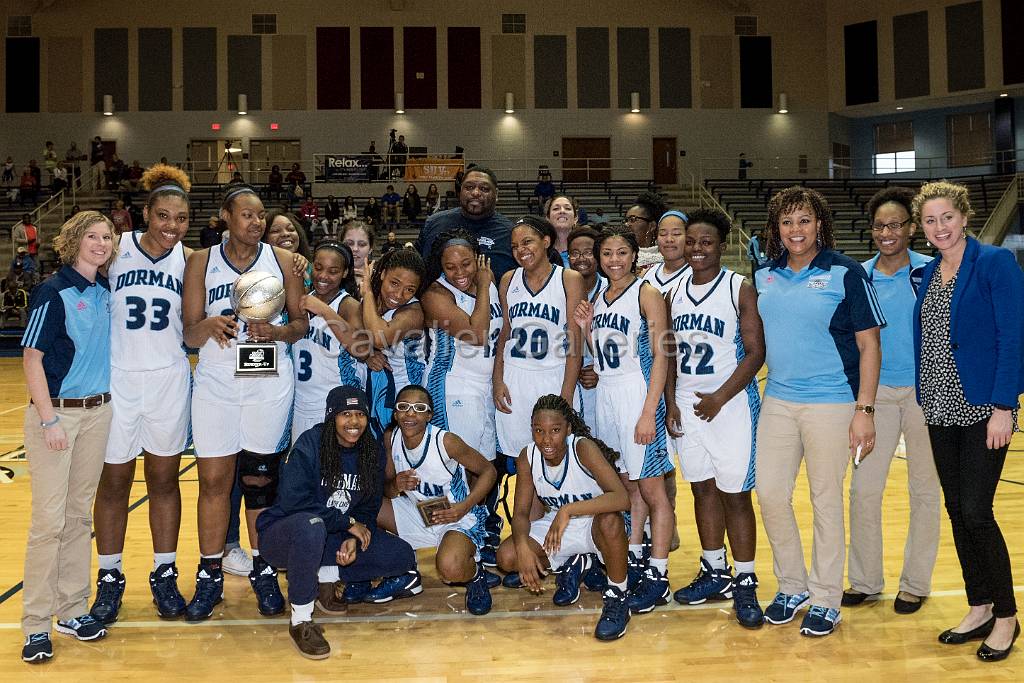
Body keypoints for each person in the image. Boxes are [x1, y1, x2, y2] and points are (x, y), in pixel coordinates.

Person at [754, 186, 884, 637]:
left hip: (833, 401)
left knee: (825, 499)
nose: (796, 230)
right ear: (776, 229)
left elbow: (869, 344)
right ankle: (792, 585)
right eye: (787, 222)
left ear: (820, 224)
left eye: (804, 220)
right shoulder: (764, 274)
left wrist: (864, 409)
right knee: (770, 494)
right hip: (779, 401)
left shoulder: (845, 272)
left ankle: (827, 596)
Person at [181, 184, 309, 621]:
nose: (255, 223)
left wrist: (276, 333)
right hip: (217, 384)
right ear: (225, 217)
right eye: (247, 215)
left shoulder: (284, 261)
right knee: (214, 482)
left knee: (260, 484)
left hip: (267, 383)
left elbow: (300, 324)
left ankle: (264, 570)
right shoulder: (200, 260)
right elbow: (188, 334)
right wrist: (209, 326)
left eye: (260, 216)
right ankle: (209, 575)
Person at [912, 180, 1024, 661]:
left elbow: (1012, 334)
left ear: (965, 217)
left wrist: (1005, 406)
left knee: (978, 511)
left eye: (947, 218)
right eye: (930, 221)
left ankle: (1006, 615)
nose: (940, 228)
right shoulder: (930, 272)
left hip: (982, 409)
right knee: (957, 509)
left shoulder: (995, 262)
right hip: (939, 407)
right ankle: (977, 604)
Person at [88, 165, 195, 625]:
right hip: (119, 380)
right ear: (144, 214)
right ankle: (109, 576)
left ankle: (164, 571)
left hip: (169, 378)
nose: (171, 226)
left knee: (164, 480)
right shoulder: (115, 252)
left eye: (181, 218)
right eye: (163, 215)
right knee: (113, 482)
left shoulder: (191, 260)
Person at [256, 386, 419, 660]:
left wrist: (354, 537)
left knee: (401, 555)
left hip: (332, 535)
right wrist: (347, 522)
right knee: (311, 526)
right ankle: (301, 621)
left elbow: (369, 506)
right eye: (346, 414)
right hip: (285, 535)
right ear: (332, 417)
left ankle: (323, 576)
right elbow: (295, 502)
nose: (353, 422)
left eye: (359, 414)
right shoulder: (311, 443)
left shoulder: (371, 450)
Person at [19, 211, 116, 664]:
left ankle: (72, 609)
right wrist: (48, 421)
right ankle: (36, 624)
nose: (100, 243)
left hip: (98, 413)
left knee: (78, 518)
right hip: (57, 417)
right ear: (75, 240)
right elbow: (32, 358)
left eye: (107, 237)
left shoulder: (104, 290)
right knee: (48, 524)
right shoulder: (52, 291)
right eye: (92, 236)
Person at [665, 209, 766, 628]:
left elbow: (757, 351)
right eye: (691, 242)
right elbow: (668, 352)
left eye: (705, 242)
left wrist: (722, 397)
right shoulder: (673, 293)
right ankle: (714, 570)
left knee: (735, 495)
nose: (697, 249)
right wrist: (671, 402)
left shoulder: (738, 288)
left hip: (731, 404)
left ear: (721, 245)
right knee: (702, 489)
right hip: (688, 402)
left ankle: (745, 579)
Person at [843, 187, 939, 615]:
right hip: (875, 396)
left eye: (896, 224)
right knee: (864, 490)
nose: (887, 232)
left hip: (926, 396)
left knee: (925, 491)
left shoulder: (933, 271)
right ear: (872, 230)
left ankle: (915, 583)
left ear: (911, 228)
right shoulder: (858, 276)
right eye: (880, 225)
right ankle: (865, 580)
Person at [573, 225, 674, 614]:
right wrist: (585, 328)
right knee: (628, 485)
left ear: (634, 255)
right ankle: (633, 557)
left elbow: (662, 355)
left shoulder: (647, 293)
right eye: (607, 254)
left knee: (653, 490)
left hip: (637, 392)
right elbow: (597, 355)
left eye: (621, 252)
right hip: (607, 396)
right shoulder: (598, 295)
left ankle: (659, 575)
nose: (614, 260)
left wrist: (650, 411)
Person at [496, 394, 631, 641]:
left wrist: (567, 510)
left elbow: (622, 498)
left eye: (555, 430)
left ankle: (618, 597)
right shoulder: (528, 456)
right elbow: (521, 514)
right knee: (507, 556)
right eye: (539, 431)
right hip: (559, 528)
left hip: (595, 526)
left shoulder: (582, 448)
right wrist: (522, 547)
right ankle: (577, 563)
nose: (546, 439)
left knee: (611, 520)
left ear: (568, 429)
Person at [422, 230, 504, 562]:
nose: (460, 273)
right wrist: (484, 285)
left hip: (482, 389)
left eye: (466, 263)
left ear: (477, 257)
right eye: (450, 267)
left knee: (485, 464)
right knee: (461, 466)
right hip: (453, 388)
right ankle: (462, 537)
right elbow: (477, 335)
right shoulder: (435, 294)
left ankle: (481, 530)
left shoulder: (489, 283)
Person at [377, 385, 497, 614]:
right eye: (403, 407)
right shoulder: (390, 437)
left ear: (429, 415)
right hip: (417, 512)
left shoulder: (446, 442)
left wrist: (464, 507)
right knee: (367, 509)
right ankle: (404, 571)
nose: (410, 414)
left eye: (419, 408)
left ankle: (475, 574)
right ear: (395, 413)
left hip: (454, 515)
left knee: (450, 569)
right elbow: (388, 491)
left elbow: (488, 471)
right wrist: (396, 484)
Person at [493, 216, 583, 488]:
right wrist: (497, 381)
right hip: (515, 381)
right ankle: (529, 528)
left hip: (554, 378)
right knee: (525, 465)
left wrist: (566, 395)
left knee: (561, 462)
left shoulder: (568, 278)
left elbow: (575, 342)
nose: (521, 250)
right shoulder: (509, 279)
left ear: (546, 241)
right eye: (515, 246)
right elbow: (504, 334)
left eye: (527, 242)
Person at [292, 241, 365, 439]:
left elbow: (361, 349)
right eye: (318, 268)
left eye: (333, 271)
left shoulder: (348, 304)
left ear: (344, 273)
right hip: (299, 403)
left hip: (335, 404)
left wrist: (324, 310)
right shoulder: (301, 299)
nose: (323, 276)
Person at [358, 248, 426, 439]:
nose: (399, 294)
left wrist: (368, 293)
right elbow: (355, 333)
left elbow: (380, 337)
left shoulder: (413, 312)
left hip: (405, 395)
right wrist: (368, 354)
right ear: (383, 274)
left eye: (409, 289)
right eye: (394, 283)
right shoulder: (372, 303)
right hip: (376, 390)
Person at [417, 166, 516, 281]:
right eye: (469, 187)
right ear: (460, 191)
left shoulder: (510, 233)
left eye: (484, 189)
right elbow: (414, 269)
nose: (475, 193)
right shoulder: (433, 223)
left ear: (496, 194)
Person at [566, 227, 605, 429]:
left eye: (588, 252)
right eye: (574, 253)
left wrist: (601, 371)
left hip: (602, 386)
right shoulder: (559, 287)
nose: (581, 258)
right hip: (564, 381)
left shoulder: (611, 291)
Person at [625, 191, 669, 270]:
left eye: (632, 219)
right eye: (626, 220)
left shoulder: (669, 257)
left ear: (652, 226)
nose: (627, 224)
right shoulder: (621, 256)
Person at [545, 194, 578, 266]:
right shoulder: (541, 252)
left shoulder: (589, 250)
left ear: (575, 218)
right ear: (548, 219)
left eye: (568, 208)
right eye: (556, 208)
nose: (562, 211)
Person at [341, 220, 374, 289]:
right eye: (349, 244)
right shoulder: (329, 278)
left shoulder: (380, 280)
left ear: (370, 249)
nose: (355, 249)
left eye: (362, 244)